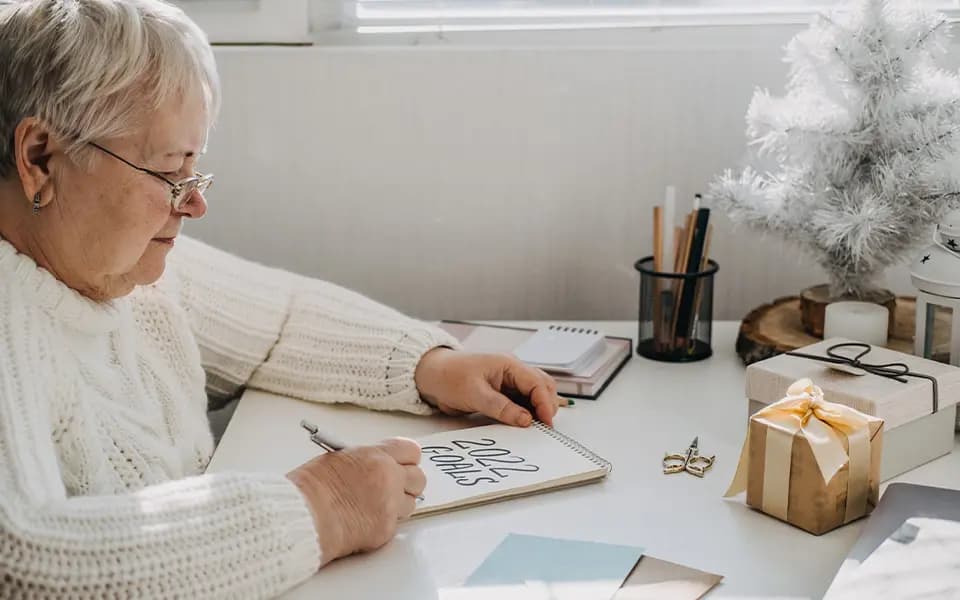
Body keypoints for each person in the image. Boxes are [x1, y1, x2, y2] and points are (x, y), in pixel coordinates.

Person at [0, 1, 561, 596]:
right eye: (169, 172)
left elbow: (279, 323)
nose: (194, 203)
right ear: (40, 159)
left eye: (196, 171)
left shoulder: (117, 270)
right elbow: (22, 560)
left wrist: (430, 366)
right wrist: (323, 507)